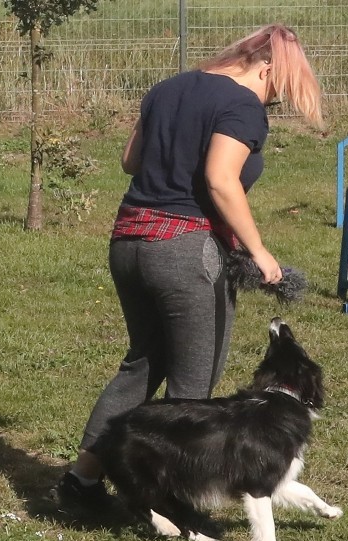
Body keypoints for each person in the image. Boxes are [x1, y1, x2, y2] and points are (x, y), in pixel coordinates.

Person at [53, 23, 324, 508]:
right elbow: (221, 180)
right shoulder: (241, 105)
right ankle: (168, 505)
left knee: (141, 365)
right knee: (192, 386)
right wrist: (257, 249)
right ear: (265, 66)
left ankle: (83, 481)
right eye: (275, 90)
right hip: (185, 251)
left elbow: (130, 161)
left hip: (130, 240)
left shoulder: (167, 88)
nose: (270, 102)